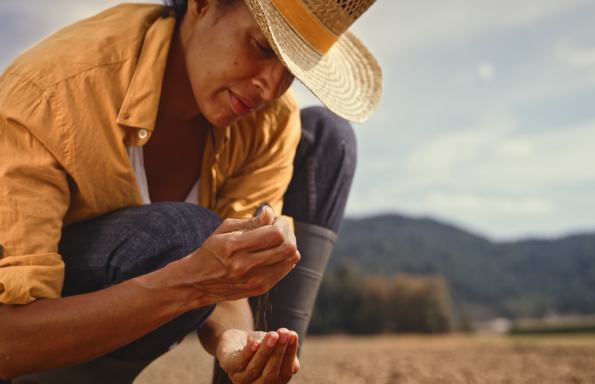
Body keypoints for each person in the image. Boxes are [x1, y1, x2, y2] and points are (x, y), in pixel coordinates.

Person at [0, 0, 381, 383]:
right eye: (263, 48)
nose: (270, 87)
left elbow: (230, 283)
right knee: (183, 231)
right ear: (202, 5)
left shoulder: (270, 118)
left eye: (293, 71)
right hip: (31, 341)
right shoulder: (50, 93)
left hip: (160, 282)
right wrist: (185, 284)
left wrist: (237, 342)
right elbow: (7, 339)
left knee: (327, 139)